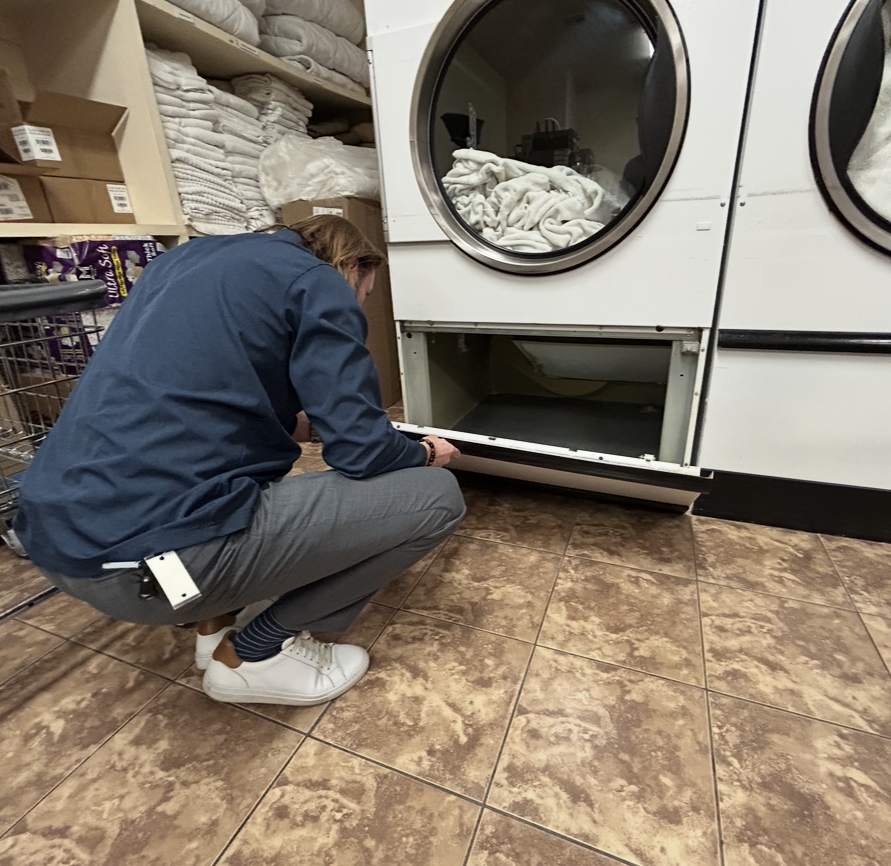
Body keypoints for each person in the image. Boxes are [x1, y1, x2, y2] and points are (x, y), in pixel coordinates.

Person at [13, 215, 464, 706]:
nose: (359, 304)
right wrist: (422, 452)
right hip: (142, 566)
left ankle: (215, 623)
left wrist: (308, 427)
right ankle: (253, 655)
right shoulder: (318, 281)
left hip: (57, 538)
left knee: (243, 483)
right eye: (365, 292)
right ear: (352, 265)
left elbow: (206, 394)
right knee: (436, 499)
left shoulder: (180, 261)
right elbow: (363, 452)